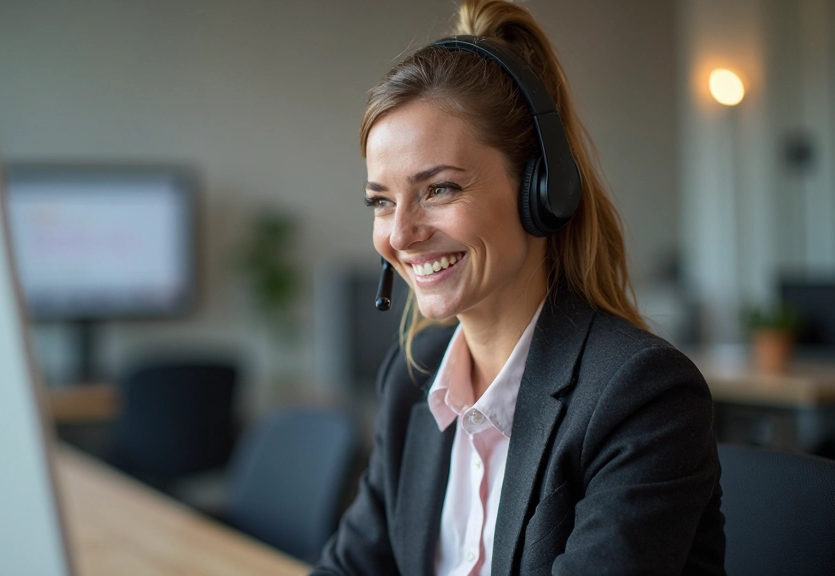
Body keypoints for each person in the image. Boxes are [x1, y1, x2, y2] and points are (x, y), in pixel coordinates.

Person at [311, 1, 726, 575]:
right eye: (381, 201)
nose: (401, 234)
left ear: (542, 191)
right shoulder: (414, 380)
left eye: (440, 190)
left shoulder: (641, 396)